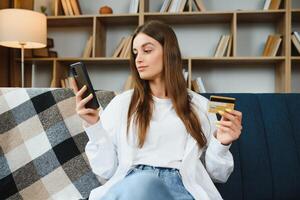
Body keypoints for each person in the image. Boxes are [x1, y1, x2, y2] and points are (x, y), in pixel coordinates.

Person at [73, 20, 243, 200]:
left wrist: (222, 144)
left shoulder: (200, 106)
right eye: (135, 52)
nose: (138, 59)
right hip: (131, 185)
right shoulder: (121, 104)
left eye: (147, 50)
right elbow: (105, 171)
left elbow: (219, 175)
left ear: (169, 53)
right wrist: (94, 127)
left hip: (181, 189)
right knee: (143, 183)